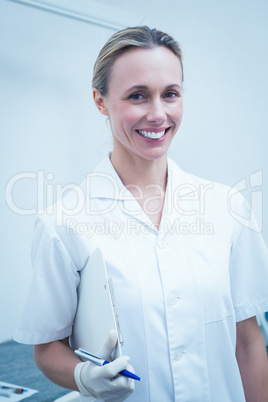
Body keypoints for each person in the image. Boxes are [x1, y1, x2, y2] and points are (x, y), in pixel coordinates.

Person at [14, 26, 268, 401]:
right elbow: (47, 349)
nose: (157, 114)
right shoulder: (64, 221)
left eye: (170, 94)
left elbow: (247, 341)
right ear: (100, 101)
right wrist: (83, 376)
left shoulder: (227, 208)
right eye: (137, 96)